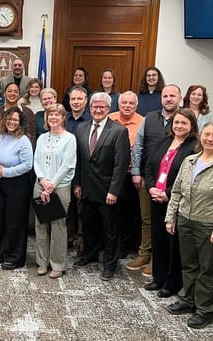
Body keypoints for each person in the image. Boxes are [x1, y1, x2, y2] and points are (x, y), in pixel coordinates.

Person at [165, 121, 213, 329]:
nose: (209, 139)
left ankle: (205, 310)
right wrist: (171, 217)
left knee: (208, 270)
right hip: (185, 221)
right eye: (207, 134)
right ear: (200, 137)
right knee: (188, 265)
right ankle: (187, 300)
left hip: (209, 226)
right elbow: (177, 191)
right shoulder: (190, 160)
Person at [73, 92, 130, 281]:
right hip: (87, 188)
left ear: (108, 109)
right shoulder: (81, 128)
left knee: (110, 231)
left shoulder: (118, 131)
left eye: (102, 107)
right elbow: (80, 160)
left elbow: (121, 165)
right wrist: (77, 183)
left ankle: (110, 265)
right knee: (89, 226)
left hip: (108, 191)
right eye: (94, 107)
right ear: (90, 109)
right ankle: (89, 256)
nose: (97, 110)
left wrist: (114, 191)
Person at [143, 108, 198, 298]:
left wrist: (167, 194)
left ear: (191, 126)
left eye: (184, 123)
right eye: (176, 123)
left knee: (172, 242)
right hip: (155, 196)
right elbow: (149, 165)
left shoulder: (194, 147)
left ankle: (172, 283)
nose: (179, 126)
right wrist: (150, 188)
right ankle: (158, 278)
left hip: (175, 201)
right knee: (158, 239)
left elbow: (190, 178)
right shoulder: (164, 140)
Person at [128, 84, 181, 276]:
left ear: (179, 98)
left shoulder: (183, 121)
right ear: (161, 98)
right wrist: (135, 171)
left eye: (172, 96)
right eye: (165, 95)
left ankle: (159, 260)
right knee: (146, 219)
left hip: (170, 183)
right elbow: (139, 145)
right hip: (147, 177)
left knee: (164, 221)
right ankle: (145, 254)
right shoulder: (150, 117)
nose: (168, 99)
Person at [33, 103, 76, 279]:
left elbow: (67, 165)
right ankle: (42, 262)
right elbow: (36, 161)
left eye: (56, 115)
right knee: (40, 224)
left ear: (63, 118)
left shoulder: (70, 138)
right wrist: (43, 180)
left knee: (58, 226)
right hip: (40, 185)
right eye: (50, 115)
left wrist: (52, 185)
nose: (53, 118)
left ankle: (57, 264)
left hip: (60, 187)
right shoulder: (42, 138)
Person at [0, 107, 33, 270]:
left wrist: (5, 172)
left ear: (20, 122)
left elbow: (28, 165)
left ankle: (16, 257)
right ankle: (2, 252)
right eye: (9, 119)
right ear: (4, 120)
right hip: (0, 183)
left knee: (15, 222)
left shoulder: (23, 140)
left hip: (18, 185)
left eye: (15, 120)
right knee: (2, 220)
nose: (11, 122)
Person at [109, 91, 144, 257]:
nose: (127, 106)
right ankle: (110, 243)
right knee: (112, 211)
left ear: (136, 106)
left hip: (131, 174)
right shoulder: (110, 118)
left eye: (131, 103)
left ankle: (124, 246)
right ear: (119, 104)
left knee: (129, 212)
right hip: (112, 173)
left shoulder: (143, 122)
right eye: (124, 103)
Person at [64, 86, 91, 252]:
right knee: (67, 209)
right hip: (64, 171)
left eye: (79, 99)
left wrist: (78, 182)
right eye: (73, 99)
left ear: (86, 101)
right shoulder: (63, 119)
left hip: (82, 171)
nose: (75, 102)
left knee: (82, 210)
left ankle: (82, 243)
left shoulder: (89, 120)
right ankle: (68, 238)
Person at [0, 82, 37, 147]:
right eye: (9, 91)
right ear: (4, 94)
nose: (12, 93)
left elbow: (32, 136)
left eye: (16, 92)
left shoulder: (28, 113)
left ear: (19, 95)